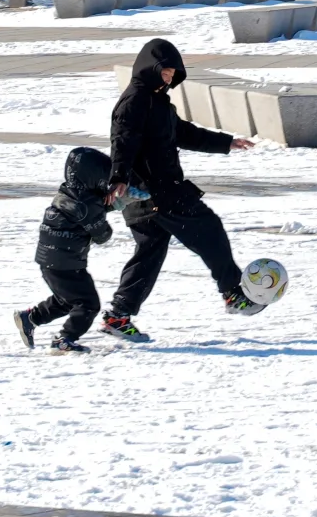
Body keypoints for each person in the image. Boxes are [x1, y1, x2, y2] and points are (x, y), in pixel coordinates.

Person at [101, 38, 257, 343]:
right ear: (150, 68)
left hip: (146, 198)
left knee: (149, 254)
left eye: (173, 74)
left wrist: (226, 142)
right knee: (209, 229)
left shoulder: (157, 103)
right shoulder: (135, 101)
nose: (170, 78)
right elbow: (123, 139)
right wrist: (118, 176)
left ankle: (118, 316)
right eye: (165, 72)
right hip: (158, 192)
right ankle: (232, 293)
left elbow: (184, 134)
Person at [13, 147, 114, 354]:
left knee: (67, 299)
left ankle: (30, 318)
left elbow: (81, 212)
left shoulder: (67, 192)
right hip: (66, 262)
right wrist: (115, 205)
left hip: (51, 260)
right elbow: (102, 235)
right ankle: (64, 340)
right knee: (88, 304)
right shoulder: (88, 204)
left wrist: (104, 206)